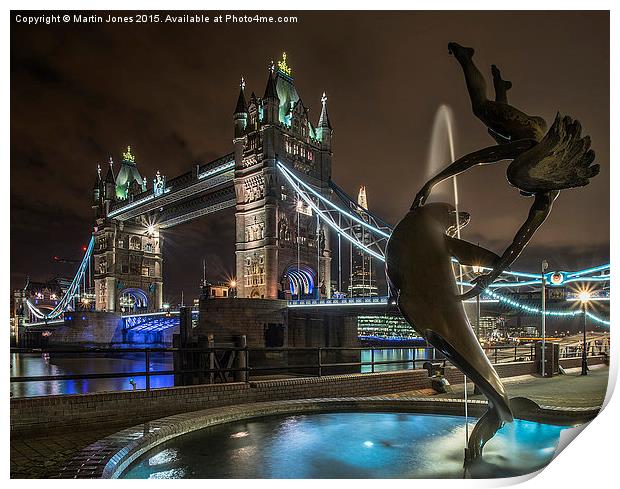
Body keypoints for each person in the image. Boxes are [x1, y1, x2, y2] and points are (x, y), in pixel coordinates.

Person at [413, 43, 599, 300]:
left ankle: (502, 88)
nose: (517, 190)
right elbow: (474, 159)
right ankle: (466, 57)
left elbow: (517, 245)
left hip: (527, 137)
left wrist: (489, 279)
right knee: (481, 108)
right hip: (528, 128)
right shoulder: (529, 150)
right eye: (518, 184)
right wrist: (431, 183)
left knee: (496, 132)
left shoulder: (544, 199)